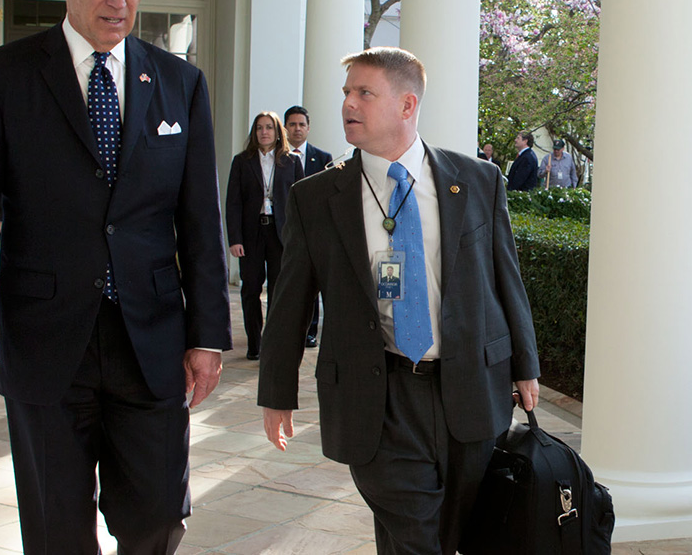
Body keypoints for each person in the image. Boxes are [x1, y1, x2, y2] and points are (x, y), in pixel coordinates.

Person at [0, 0, 231, 554]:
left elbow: (200, 221)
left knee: (157, 516)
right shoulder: (0, 77)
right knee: (56, 532)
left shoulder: (180, 83)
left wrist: (208, 334)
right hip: (44, 343)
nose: (119, 0)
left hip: (149, 342)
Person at [258, 47, 540, 554]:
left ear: (407, 105)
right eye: (347, 92)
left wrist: (525, 364)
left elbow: (505, 279)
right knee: (414, 536)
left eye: (364, 92)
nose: (348, 103)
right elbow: (291, 299)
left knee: (454, 533)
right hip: (377, 397)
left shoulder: (477, 181)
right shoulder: (316, 196)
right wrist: (277, 390)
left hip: (469, 387)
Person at [227, 112, 303, 360]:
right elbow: (233, 202)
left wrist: (299, 237)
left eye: (269, 127)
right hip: (251, 233)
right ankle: (254, 342)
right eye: (259, 128)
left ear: (277, 130)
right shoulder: (242, 161)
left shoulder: (291, 162)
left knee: (278, 290)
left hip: (280, 233)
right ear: (254, 132)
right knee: (250, 287)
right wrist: (235, 238)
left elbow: (301, 202)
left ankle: (272, 341)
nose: (264, 132)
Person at [283, 105, 332, 347]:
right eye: (292, 124)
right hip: (285, 230)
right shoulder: (277, 159)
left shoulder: (322, 159)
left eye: (301, 124)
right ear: (285, 128)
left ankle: (310, 331)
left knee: (313, 282)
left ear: (308, 128)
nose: (297, 129)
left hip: (315, 230)